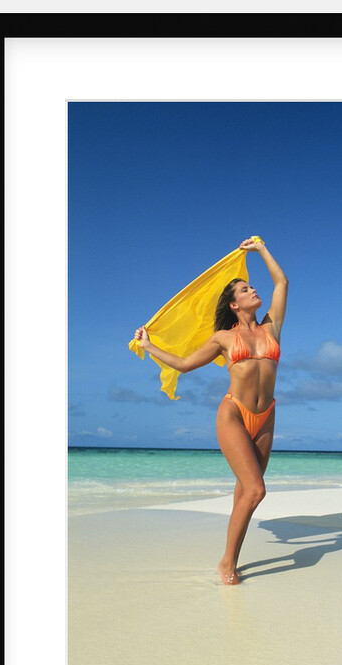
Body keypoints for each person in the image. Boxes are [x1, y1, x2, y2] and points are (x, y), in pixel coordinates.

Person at [133, 238, 288, 585]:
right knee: (256, 491)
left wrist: (261, 250)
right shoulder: (222, 338)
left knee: (244, 493)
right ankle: (226, 564)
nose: (253, 290)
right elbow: (186, 364)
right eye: (246, 289)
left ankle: (230, 559)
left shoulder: (271, 327)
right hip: (233, 413)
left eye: (251, 287)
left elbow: (282, 283)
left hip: (266, 416)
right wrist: (149, 345)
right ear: (234, 305)